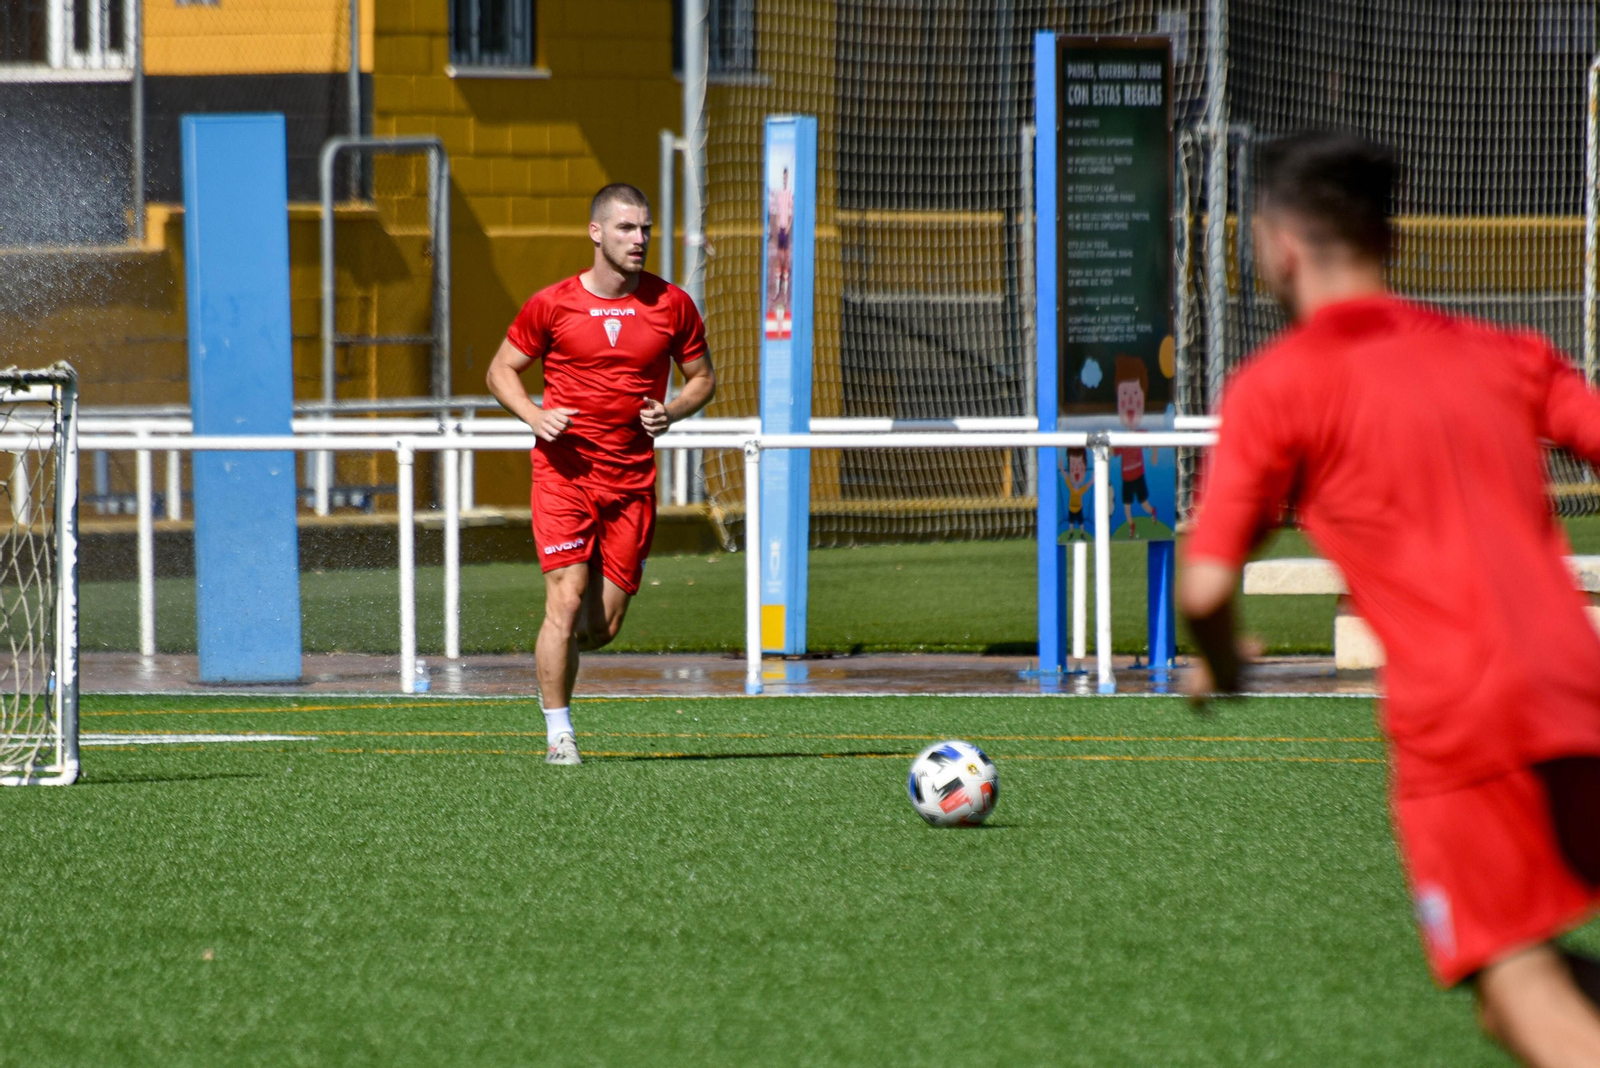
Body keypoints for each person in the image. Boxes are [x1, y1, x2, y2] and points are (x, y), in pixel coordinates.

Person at [1179, 130, 1600, 1067]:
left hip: (1465, 719)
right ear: (1390, 240)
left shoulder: (1279, 387)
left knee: (1522, 990)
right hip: (1583, 687)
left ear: (1279, 245)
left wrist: (1219, 660)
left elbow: (1205, 582)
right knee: (1512, 1001)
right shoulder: (1505, 353)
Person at [486, 182, 716, 766]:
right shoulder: (552, 304)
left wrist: (674, 410)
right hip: (563, 476)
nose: (639, 239)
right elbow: (500, 372)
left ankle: (572, 644)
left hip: (630, 483)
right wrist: (535, 415)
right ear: (596, 233)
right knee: (564, 599)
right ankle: (558, 735)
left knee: (603, 626)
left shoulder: (673, 305)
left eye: (645, 229)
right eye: (626, 228)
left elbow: (702, 379)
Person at [1113, 354, 1159, 537]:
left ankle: (1152, 512)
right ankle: (1131, 525)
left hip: (1138, 476)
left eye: (1135, 394)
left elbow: (1154, 442)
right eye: (1125, 394)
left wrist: (1154, 455)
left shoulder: (1141, 434)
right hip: (1126, 479)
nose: (1130, 400)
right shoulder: (1121, 439)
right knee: (1126, 507)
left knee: (1144, 504)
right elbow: (1112, 452)